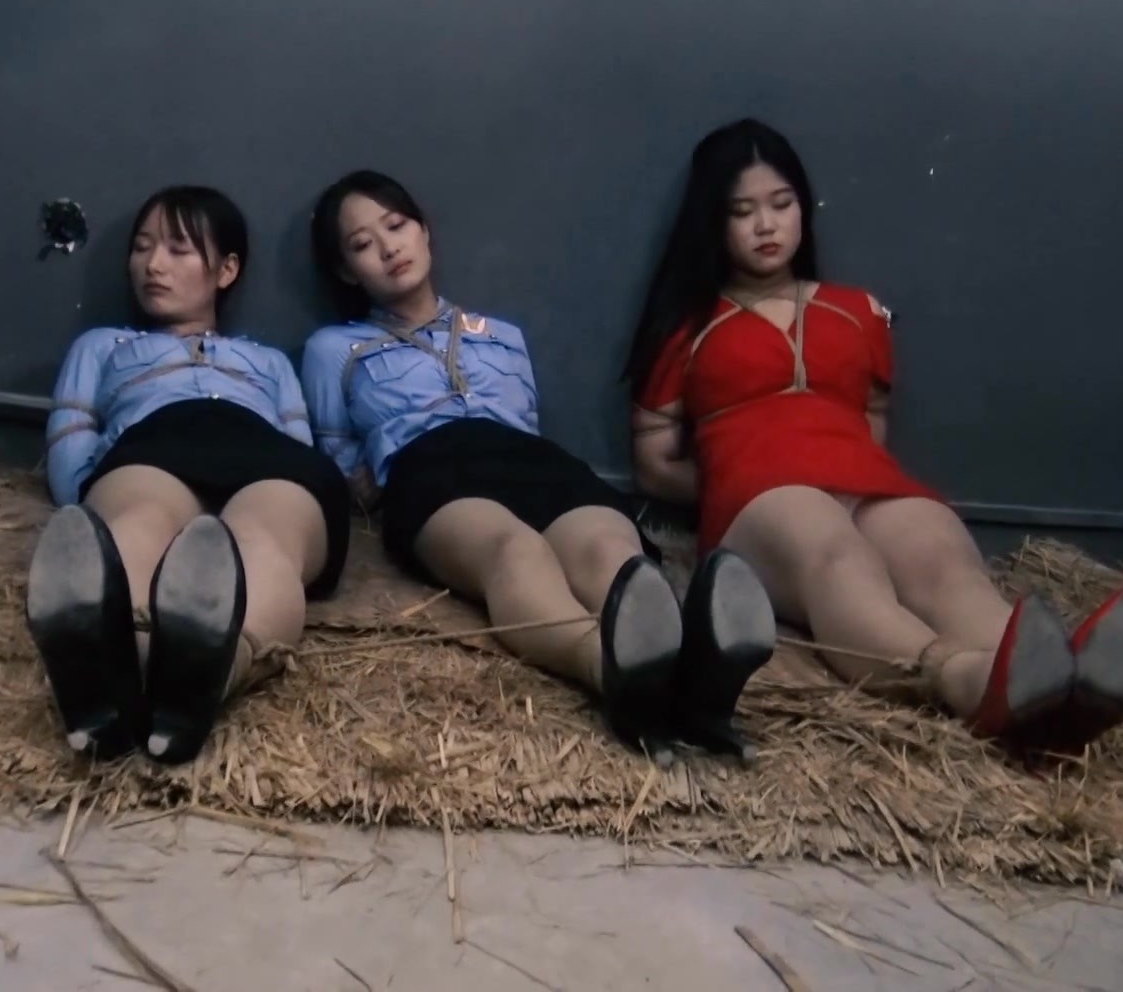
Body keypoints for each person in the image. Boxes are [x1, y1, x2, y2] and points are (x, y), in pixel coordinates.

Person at [624, 120, 1123, 749]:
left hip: (864, 479)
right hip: (760, 497)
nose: (766, 225)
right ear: (712, 222)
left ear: (803, 208)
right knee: (834, 553)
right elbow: (654, 461)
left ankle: (1054, 678)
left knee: (943, 558)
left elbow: (873, 427)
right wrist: (731, 478)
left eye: (781, 204)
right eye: (742, 212)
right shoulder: (686, 327)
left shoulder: (859, 312)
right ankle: (963, 679)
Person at [300, 170, 777, 764]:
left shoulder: (502, 336)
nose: (388, 248)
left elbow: (524, 421)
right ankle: (614, 672)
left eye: (396, 226)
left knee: (612, 551)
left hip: (530, 459)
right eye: (362, 243)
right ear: (347, 270)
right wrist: (373, 482)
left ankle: (694, 676)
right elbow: (341, 459)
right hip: (432, 467)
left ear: (424, 232)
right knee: (514, 550)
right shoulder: (331, 350)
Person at [26, 185, 350, 765]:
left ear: (226, 270)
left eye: (178, 249)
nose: (153, 265)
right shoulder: (102, 346)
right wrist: (91, 499)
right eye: (142, 247)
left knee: (263, 540)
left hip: (268, 457)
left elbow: (299, 443)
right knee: (138, 522)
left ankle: (202, 677)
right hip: (156, 443)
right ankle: (114, 670)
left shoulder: (270, 361)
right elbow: (71, 437)